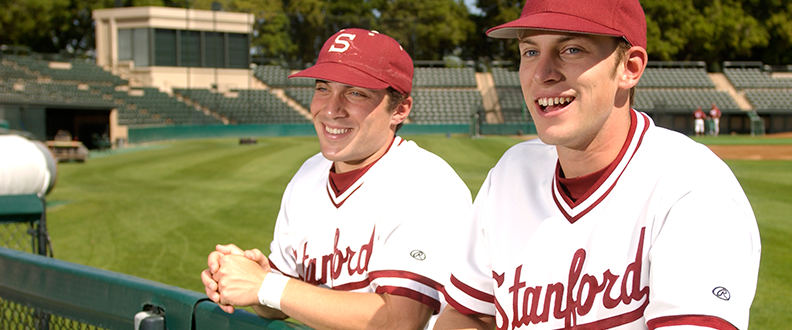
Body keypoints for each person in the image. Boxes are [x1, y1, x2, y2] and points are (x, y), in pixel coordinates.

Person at [434, 0, 761, 329]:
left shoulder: (692, 188)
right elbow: (467, 313)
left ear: (629, 68)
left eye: (572, 50)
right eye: (530, 52)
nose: (542, 74)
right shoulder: (510, 174)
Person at [201, 28, 473, 330]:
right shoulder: (307, 176)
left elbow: (399, 321)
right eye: (322, 88)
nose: (331, 109)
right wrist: (252, 278)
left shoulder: (426, 184)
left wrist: (267, 286)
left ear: (400, 109)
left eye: (355, 93)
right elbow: (283, 302)